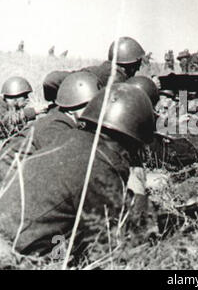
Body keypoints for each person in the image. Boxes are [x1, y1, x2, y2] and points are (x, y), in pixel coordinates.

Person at [0, 83, 156, 257]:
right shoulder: (101, 164)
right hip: (15, 257)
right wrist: (140, 193)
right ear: (132, 138)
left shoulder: (71, 138)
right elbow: (112, 239)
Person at [0, 71, 101, 180]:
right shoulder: (56, 127)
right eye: (87, 107)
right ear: (71, 109)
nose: (93, 112)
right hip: (8, 179)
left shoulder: (60, 121)